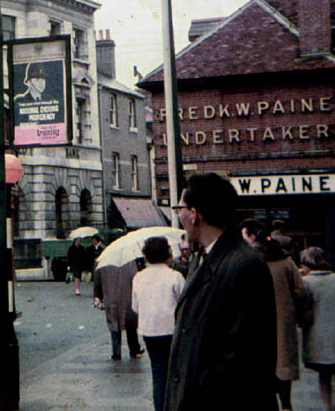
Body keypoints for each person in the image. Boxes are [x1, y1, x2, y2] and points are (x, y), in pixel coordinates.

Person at [165, 172, 278, 411]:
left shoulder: (244, 265)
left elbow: (246, 358)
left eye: (180, 208)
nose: (179, 215)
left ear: (195, 215)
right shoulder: (204, 257)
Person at [132, 237, 184, 411]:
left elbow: (135, 306)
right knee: (173, 372)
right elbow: (183, 304)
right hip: (171, 329)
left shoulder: (139, 277)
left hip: (149, 329)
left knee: (158, 373)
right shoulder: (175, 276)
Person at [263, 236, 307, 411]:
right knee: (284, 363)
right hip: (284, 319)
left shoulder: (257, 263)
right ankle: (287, 404)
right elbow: (300, 290)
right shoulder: (288, 264)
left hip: (261, 320)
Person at [300, 246, 335, 410]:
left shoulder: (306, 283)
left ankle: (328, 406)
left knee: (324, 376)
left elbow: (303, 311)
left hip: (319, 337)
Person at [93, 260, 143, 361]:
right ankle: (134, 348)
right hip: (127, 296)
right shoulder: (129, 261)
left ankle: (116, 352)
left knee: (114, 324)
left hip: (110, 297)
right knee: (130, 323)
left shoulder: (103, 261)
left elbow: (97, 280)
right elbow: (135, 278)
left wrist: (98, 295)